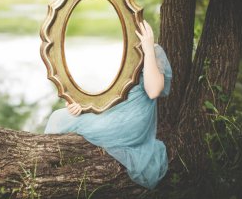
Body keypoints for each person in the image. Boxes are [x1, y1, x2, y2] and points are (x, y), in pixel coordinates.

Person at [44, 20, 173, 190]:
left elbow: (154, 91)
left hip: (134, 119)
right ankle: (48, 172)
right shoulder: (115, 51)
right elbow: (101, 92)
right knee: (60, 116)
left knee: (60, 120)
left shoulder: (153, 50)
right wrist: (79, 105)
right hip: (112, 111)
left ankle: (46, 173)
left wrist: (148, 49)